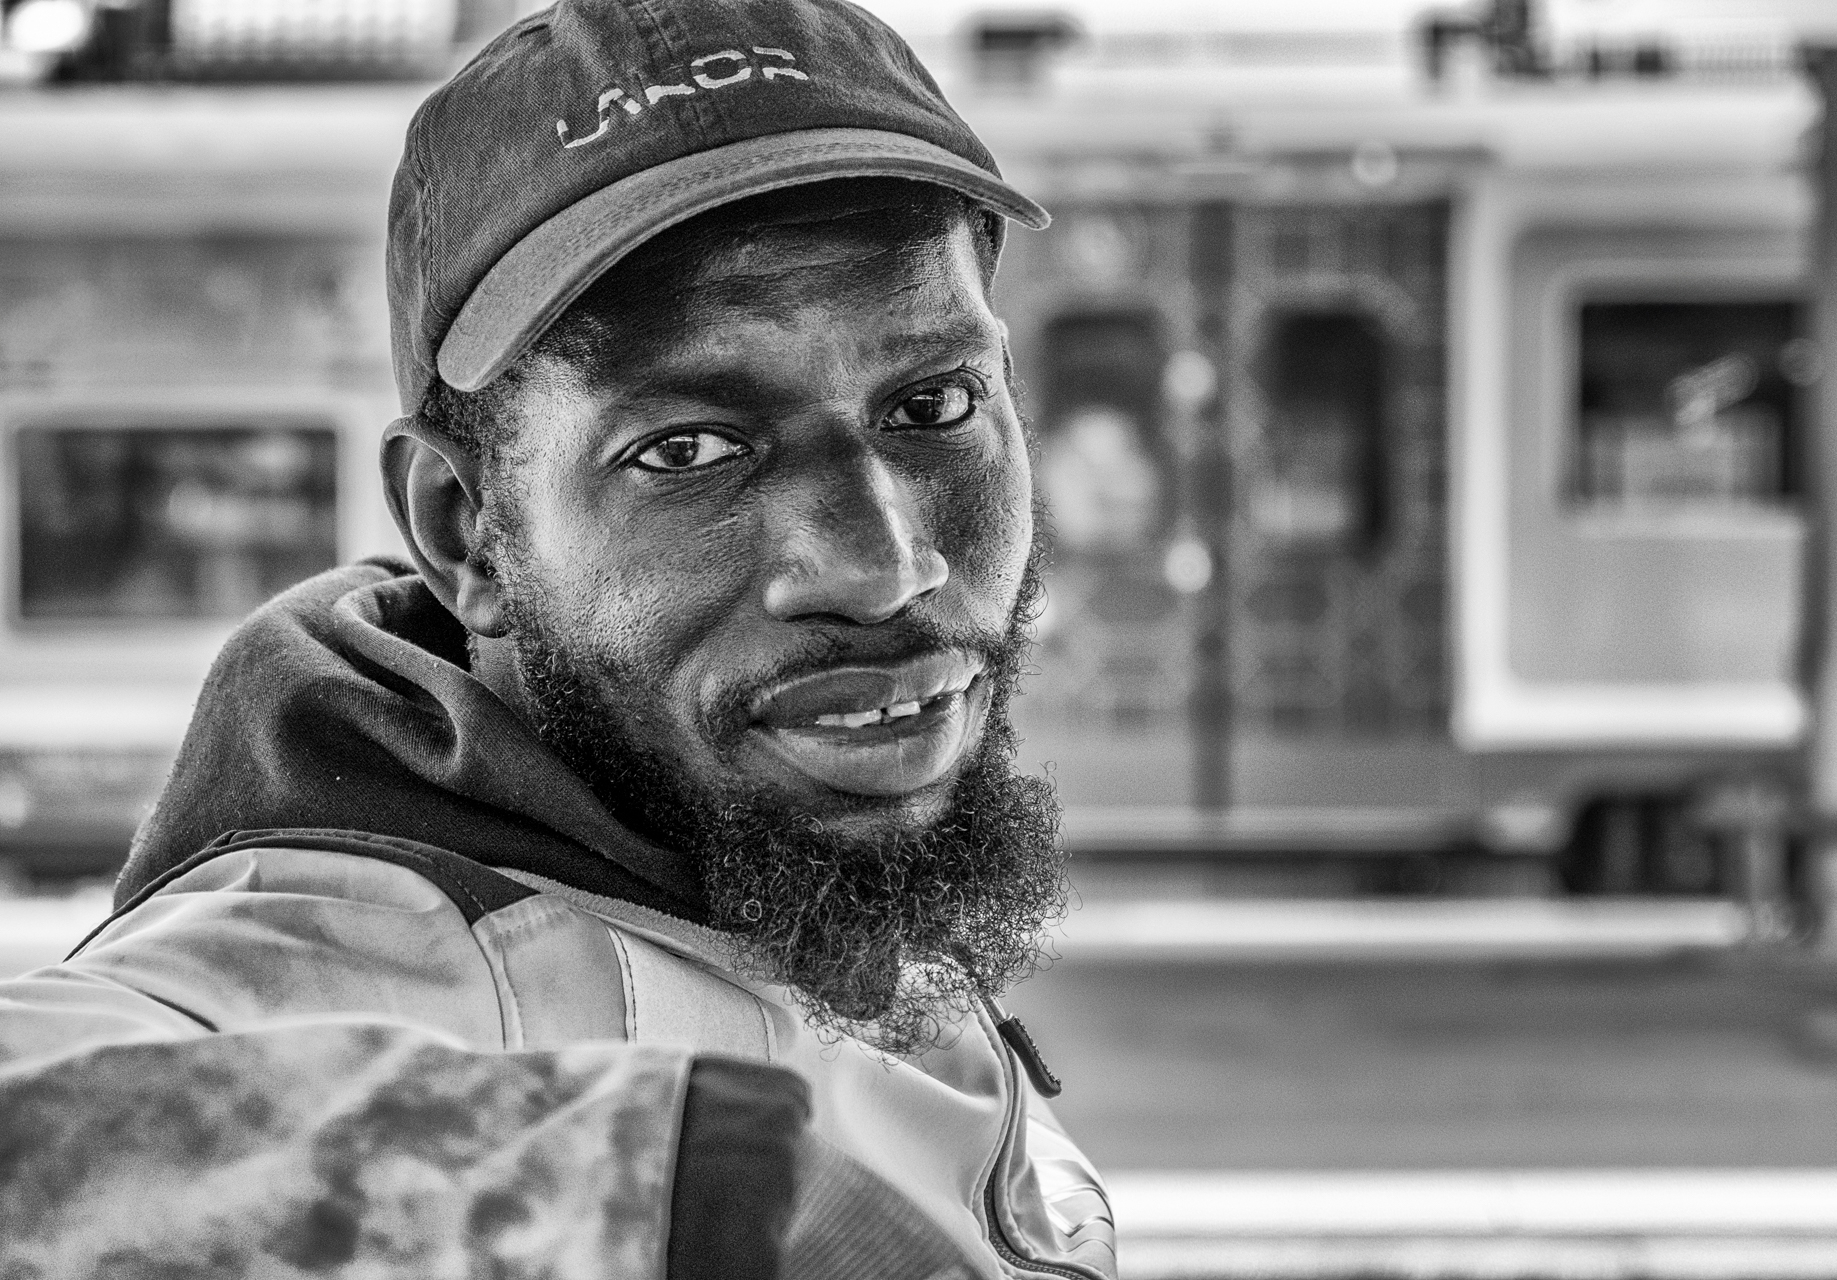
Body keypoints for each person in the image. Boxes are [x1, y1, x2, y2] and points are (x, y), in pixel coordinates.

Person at [0, 1, 1115, 1275]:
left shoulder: (751, 848)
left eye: (936, 403)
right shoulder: (356, 965)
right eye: (688, 449)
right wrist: (652, 1182)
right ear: (466, 532)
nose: (884, 566)